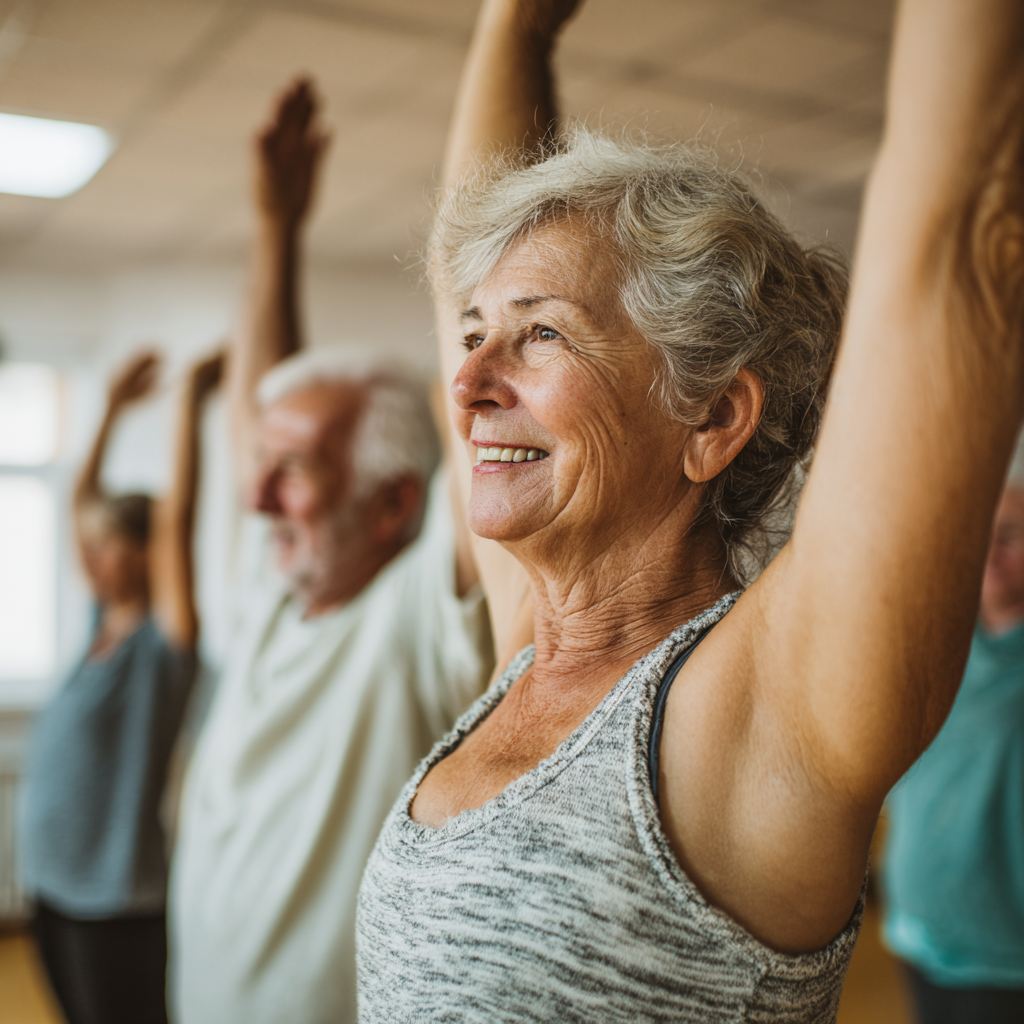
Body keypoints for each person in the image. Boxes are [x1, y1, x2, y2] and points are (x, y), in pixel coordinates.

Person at [355, 0, 1024, 1021]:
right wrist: (514, 26)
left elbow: (956, 245)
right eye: (474, 334)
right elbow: (465, 266)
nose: (468, 380)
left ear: (710, 416)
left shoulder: (764, 709)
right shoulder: (535, 648)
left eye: (539, 336)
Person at [168, 79, 494, 1024]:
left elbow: (474, 426)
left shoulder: (414, 620)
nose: (256, 496)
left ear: (396, 503)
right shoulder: (275, 586)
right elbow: (262, 408)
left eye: (296, 473)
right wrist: (277, 229)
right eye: (263, 467)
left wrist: (509, 44)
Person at [20, 348, 221, 1024]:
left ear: (146, 553)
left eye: (108, 544)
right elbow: (80, 503)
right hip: (51, 883)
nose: (90, 556)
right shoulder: (96, 623)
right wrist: (107, 408)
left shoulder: (163, 646)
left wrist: (187, 406)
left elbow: (178, 520)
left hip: (115, 901)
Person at [882, 443, 1024, 1024]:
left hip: (1005, 959)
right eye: (980, 533)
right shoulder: (933, 642)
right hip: (919, 931)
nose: (991, 552)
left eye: (1012, 534)